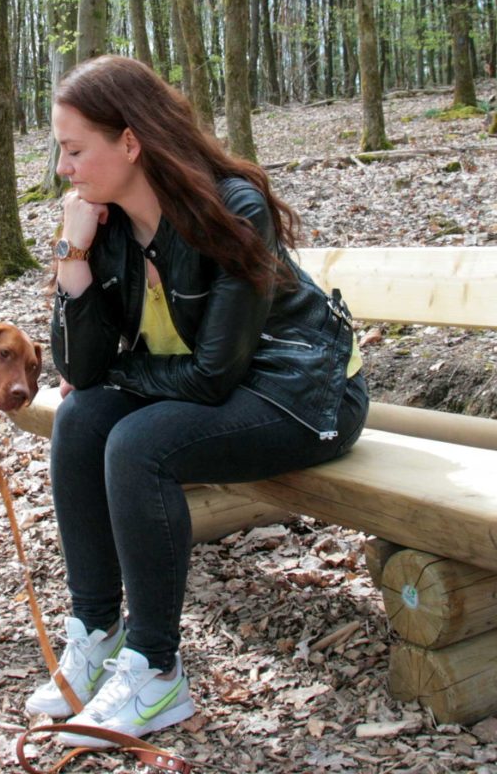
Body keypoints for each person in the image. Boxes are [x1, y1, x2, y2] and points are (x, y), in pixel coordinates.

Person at [25, 55, 369, 748]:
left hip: (305, 395)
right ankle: (96, 632)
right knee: (82, 418)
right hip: (222, 387)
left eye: (73, 150)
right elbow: (84, 371)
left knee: (137, 443)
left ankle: (155, 673)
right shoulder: (111, 224)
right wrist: (72, 252)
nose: (64, 170)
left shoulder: (230, 206)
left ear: (130, 141)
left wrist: (122, 376)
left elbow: (214, 375)